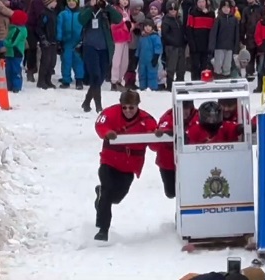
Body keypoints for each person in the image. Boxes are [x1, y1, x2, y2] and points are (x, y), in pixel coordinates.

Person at [93, 90, 157, 241]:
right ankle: (103, 229)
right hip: (109, 161)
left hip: (129, 167)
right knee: (108, 193)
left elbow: (154, 143)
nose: (128, 111)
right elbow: (100, 125)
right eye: (125, 107)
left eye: (131, 107)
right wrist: (107, 133)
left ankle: (100, 195)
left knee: (116, 198)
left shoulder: (147, 119)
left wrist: (157, 134)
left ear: (137, 106)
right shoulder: (110, 113)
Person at [79, 0, 122, 113]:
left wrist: (107, 7)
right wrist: (90, 8)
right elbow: (81, 20)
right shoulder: (86, 8)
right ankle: (98, 105)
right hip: (90, 46)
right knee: (96, 75)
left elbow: (118, 19)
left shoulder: (107, 10)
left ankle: (87, 101)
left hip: (105, 47)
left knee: (100, 78)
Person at [151, 100, 198, 198]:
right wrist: (169, 133)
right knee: (171, 192)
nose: (184, 111)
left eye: (186, 108)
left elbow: (201, 129)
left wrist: (187, 135)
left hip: (191, 161)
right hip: (168, 163)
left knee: (190, 191)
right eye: (181, 108)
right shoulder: (167, 117)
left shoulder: (198, 116)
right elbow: (161, 132)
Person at [57, 0, 84, 89]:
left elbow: (84, 28)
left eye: (73, 1)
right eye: (69, 1)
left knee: (79, 62)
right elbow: (59, 27)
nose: (71, 3)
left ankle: (79, 80)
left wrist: (83, 40)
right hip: (66, 42)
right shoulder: (63, 14)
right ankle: (66, 80)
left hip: (78, 42)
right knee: (66, 61)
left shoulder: (81, 14)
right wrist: (59, 41)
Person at [36, 0, 58, 90]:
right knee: (46, 61)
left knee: (52, 61)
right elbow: (39, 27)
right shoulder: (44, 14)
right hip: (46, 41)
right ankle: (41, 81)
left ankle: (48, 80)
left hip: (53, 41)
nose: (56, 3)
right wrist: (43, 38)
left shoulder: (53, 13)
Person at [5, 10, 28, 93]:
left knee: (16, 70)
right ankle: (9, 85)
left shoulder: (19, 30)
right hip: (9, 53)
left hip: (16, 53)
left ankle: (16, 86)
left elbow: (12, 42)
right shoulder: (13, 28)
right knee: (8, 70)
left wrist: (3, 42)